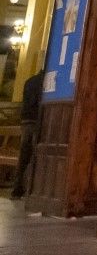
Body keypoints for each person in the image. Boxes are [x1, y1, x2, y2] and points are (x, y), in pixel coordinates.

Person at [10, 67, 43, 199]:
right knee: (35, 154)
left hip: (25, 121)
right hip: (36, 121)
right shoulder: (44, 82)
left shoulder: (29, 81)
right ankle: (31, 189)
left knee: (24, 156)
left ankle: (17, 189)